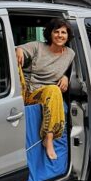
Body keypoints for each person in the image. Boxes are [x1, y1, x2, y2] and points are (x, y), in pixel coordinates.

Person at [15, 18, 74, 160]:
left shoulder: (70, 54)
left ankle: (48, 139)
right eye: (56, 31)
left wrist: (65, 77)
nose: (60, 35)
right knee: (16, 66)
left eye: (63, 32)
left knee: (54, 90)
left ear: (68, 35)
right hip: (28, 92)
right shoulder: (38, 47)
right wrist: (19, 50)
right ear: (50, 34)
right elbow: (19, 48)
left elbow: (74, 72)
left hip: (46, 93)